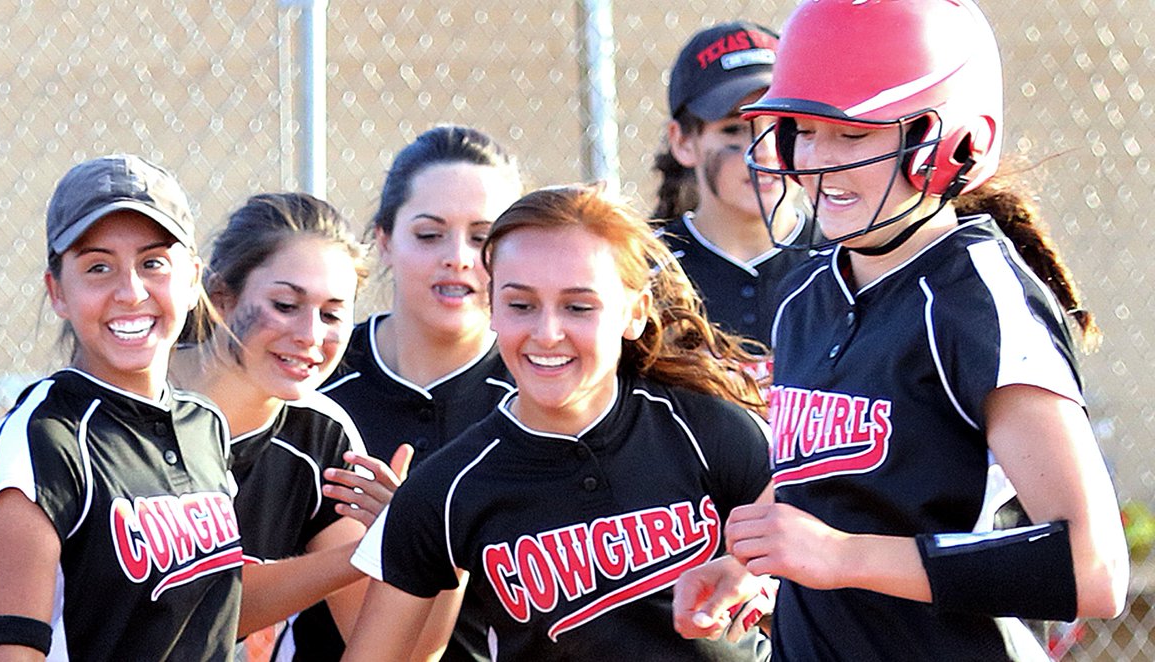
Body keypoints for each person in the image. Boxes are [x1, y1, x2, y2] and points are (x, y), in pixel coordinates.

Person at [674, 0, 1129, 659]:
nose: (814, 160)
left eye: (852, 135)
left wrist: (846, 558)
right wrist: (752, 566)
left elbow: (1094, 571)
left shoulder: (976, 299)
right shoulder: (808, 288)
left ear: (952, 143)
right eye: (801, 128)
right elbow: (827, 470)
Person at [342, 183, 774, 661]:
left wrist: (762, 579)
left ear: (635, 313)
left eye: (578, 306)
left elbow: (821, 579)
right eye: (521, 305)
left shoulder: (708, 432)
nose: (547, 334)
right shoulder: (449, 487)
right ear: (492, 309)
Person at [0, 154, 241, 660]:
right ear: (57, 292)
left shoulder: (204, 425)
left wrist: (369, 552)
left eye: (153, 263)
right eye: (98, 267)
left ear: (191, 280)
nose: (130, 292)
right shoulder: (46, 437)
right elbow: (11, 650)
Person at [279, 124, 523, 661]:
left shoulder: (538, 388)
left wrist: (426, 525)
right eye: (430, 234)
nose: (458, 257)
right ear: (385, 240)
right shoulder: (318, 378)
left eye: (482, 237)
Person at [168, 193, 406, 645]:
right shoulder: (134, 403)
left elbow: (376, 645)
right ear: (221, 298)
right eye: (285, 305)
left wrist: (427, 542)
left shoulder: (320, 434)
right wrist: (364, 552)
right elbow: (177, 616)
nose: (311, 335)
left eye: (332, 313)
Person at [653, 21, 809, 350]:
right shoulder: (646, 269)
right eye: (734, 129)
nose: (764, 151)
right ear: (682, 141)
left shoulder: (848, 258)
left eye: (782, 124)